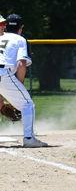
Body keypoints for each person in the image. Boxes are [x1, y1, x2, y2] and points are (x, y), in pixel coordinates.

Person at [0, 13, 49, 148]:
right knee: (27, 104)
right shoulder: (20, 39)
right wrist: (19, 87)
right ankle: (29, 138)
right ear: (21, 28)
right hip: (3, 72)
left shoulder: (1, 36)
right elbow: (21, 64)